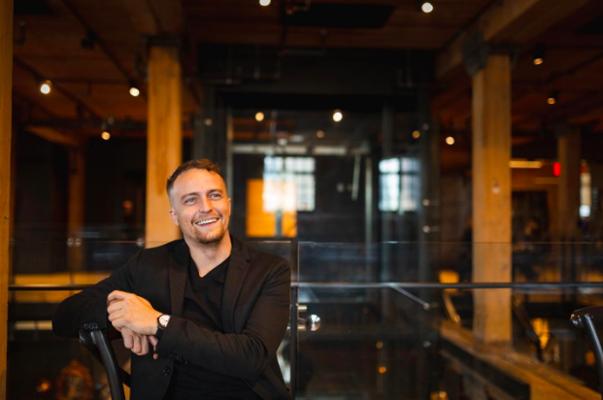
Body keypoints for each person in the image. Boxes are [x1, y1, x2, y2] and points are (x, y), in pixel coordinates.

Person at [53, 159, 291, 400]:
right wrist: (125, 316)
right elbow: (65, 316)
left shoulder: (269, 270)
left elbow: (252, 357)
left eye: (214, 195)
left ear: (227, 205)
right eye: (191, 200)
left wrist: (158, 323)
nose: (206, 207)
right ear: (174, 215)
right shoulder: (148, 265)